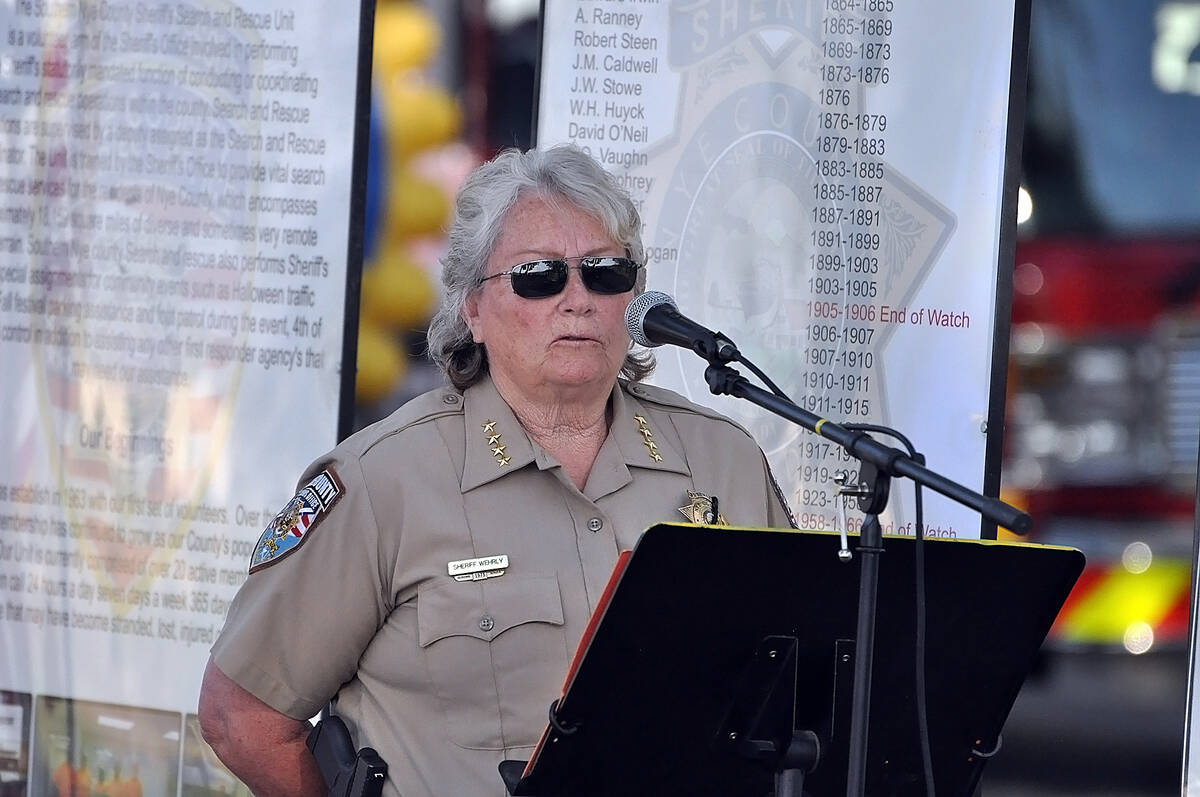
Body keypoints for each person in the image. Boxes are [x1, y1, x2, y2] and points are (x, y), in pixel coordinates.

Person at [197, 144, 796, 797]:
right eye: (539, 276)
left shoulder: (723, 460)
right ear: (472, 309)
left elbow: (804, 686)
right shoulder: (383, 480)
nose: (578, 299)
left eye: (605, 272)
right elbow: (241, 715)